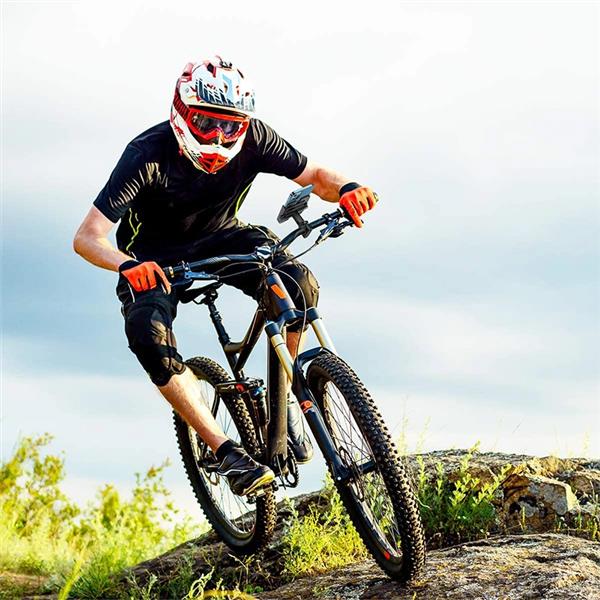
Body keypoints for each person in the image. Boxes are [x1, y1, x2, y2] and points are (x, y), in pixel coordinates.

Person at [73, 56, 378, 497]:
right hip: (151, 259)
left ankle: (285, 397)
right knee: (148, 335)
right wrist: (126, 265)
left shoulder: (256, 138)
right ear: (182, 113)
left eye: (230, 126)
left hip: (223, 237)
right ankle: (225, 451)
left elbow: (313, 175)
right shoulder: (146, 154)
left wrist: (348, 187)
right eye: (206, 123)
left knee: (299, 283)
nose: (218, 136)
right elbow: (88, 236)